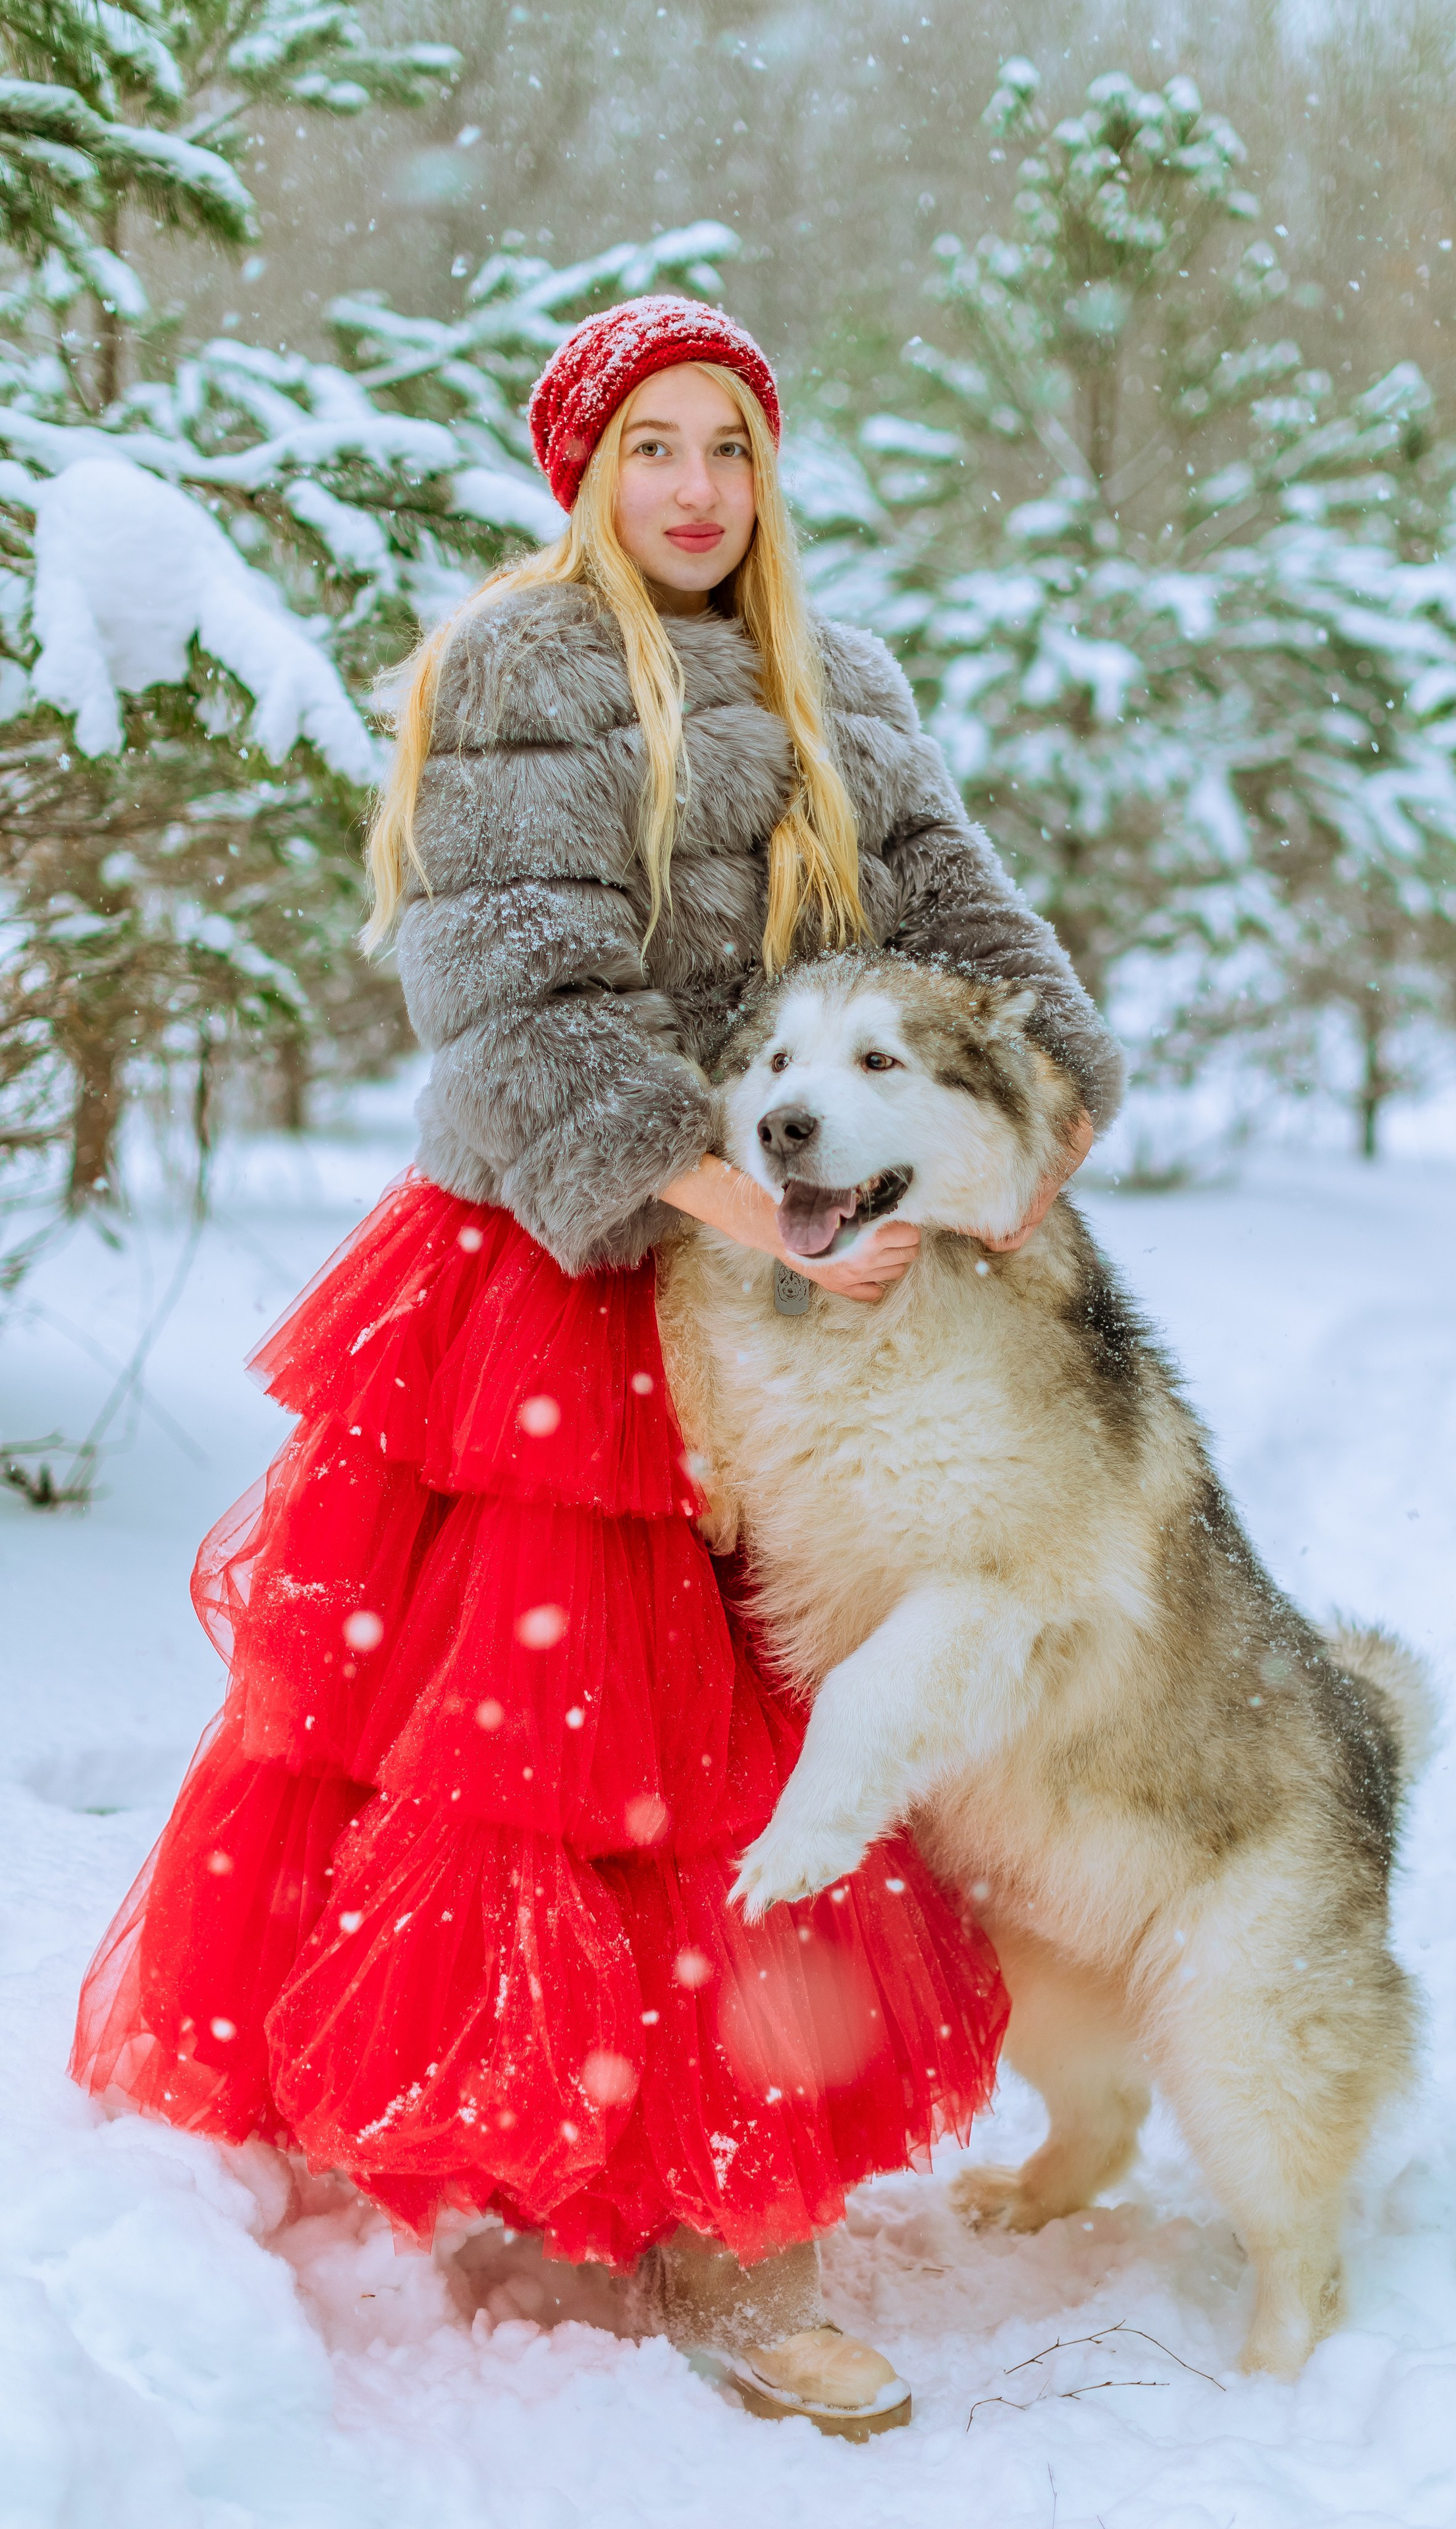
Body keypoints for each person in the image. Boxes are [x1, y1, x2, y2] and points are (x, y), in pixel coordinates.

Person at [70, 295, 1123, 2435]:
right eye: (654, 445)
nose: (697, 491)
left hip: (803, 1275)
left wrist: (1041, 1117)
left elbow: (977, 930)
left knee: (785, 1741)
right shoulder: (517, 669)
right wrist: (765, 1216)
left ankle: (721, 2191)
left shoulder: (847, 680)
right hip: (576, 1273)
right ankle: (646, 2203)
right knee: (576, 1758)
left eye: (730, 446)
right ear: (584, 467)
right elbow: (525, 1004)